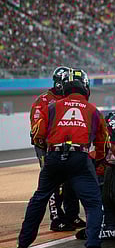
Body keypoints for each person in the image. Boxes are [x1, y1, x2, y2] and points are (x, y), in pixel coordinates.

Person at [19, 68, 109, 248]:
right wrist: (95, 160)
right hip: (79, 157)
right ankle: (93, 244)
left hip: (53, 156)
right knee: (93, 203)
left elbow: (37, 134)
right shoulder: (93, 110)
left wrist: (50, 148)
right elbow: (103, 143)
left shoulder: (51, 107)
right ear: (85, 87)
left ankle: (24, 241)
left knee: (39, 197)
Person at [29, 66, 85, 232]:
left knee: (71, 180)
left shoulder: (70, 100)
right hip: (46, 147)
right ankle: (56, 218)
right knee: (54, 181)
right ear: (61, 83)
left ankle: (72, 215)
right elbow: (37, 130)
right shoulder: (43, 101)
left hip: (66, 147)